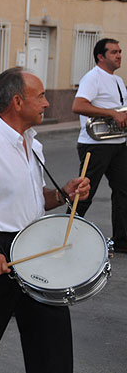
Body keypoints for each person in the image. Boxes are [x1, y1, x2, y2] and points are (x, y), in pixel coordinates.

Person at [0, 67, 90, 373]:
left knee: (53, 351)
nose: (47, 103)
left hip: (37, 255)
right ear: (17, 102)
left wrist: (64, 194)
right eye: (40, 96)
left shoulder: (32, 144)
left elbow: (36, 198)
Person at [71, 38, 127, 253]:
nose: (119, 55)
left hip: (118, 143)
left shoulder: (118, 80)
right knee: (85, 193)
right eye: (114, 52)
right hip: (95, 145)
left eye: (120, 51)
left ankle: (122, 240)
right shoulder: (92, 78)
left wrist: (120, 113)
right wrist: (112, 113)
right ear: (100, 57)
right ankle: (65, 235)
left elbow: (119, 109)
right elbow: (78, 105)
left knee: (123, 191)